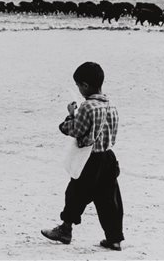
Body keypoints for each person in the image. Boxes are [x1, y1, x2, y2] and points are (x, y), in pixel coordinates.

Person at [41, 62, 124, 250]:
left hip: (90, 159)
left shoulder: (87, 107)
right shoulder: (111, 105)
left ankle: (65, 229)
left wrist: (70, 116)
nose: (79, 90)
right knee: (110, 200)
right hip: (108, 158)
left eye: (79, 86)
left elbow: (76, 130)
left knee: (75, 194)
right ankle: (114, 238)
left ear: (85, 85)